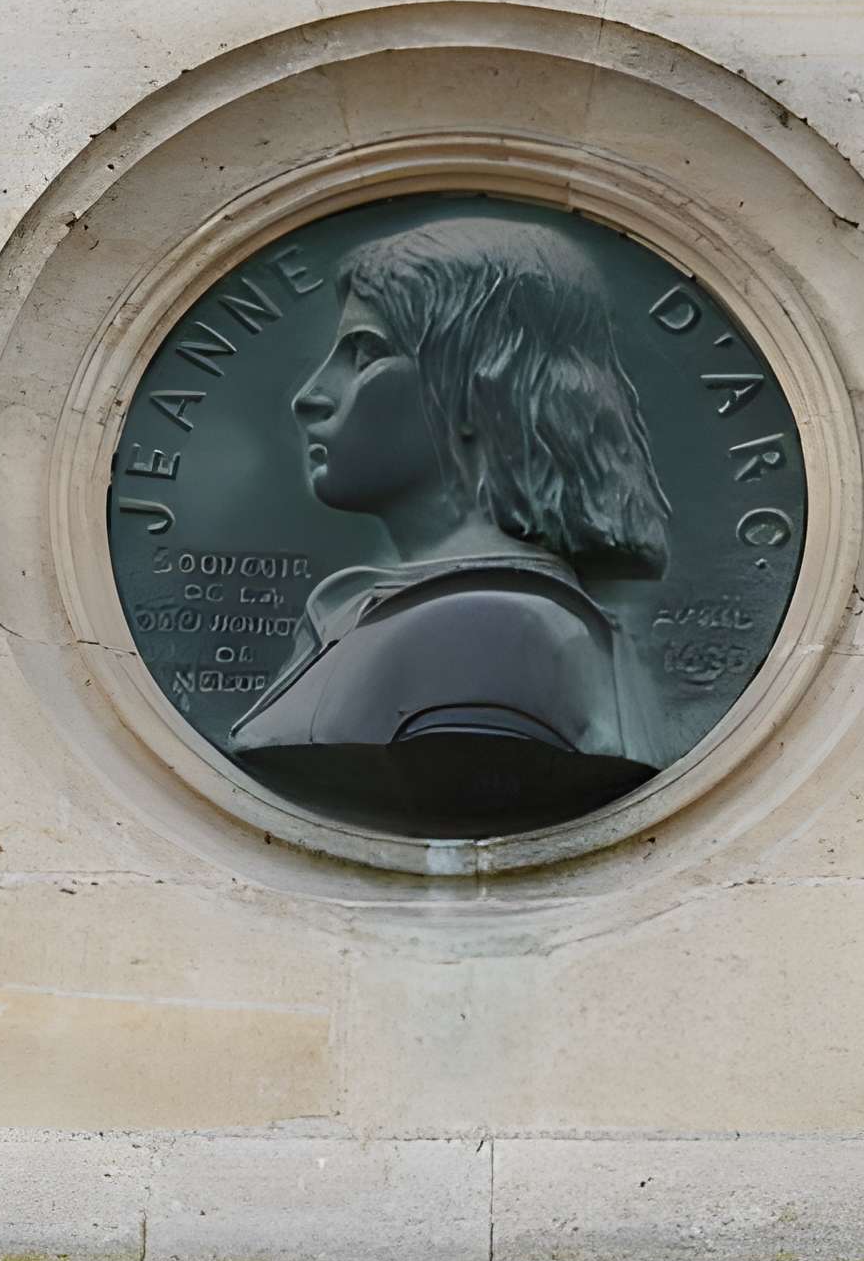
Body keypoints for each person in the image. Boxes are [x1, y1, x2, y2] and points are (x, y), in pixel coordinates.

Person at [229, 211, 675, 833]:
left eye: (366, 353)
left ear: (482, 385)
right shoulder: (416, 609)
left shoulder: (489, 629)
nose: (312, 396)